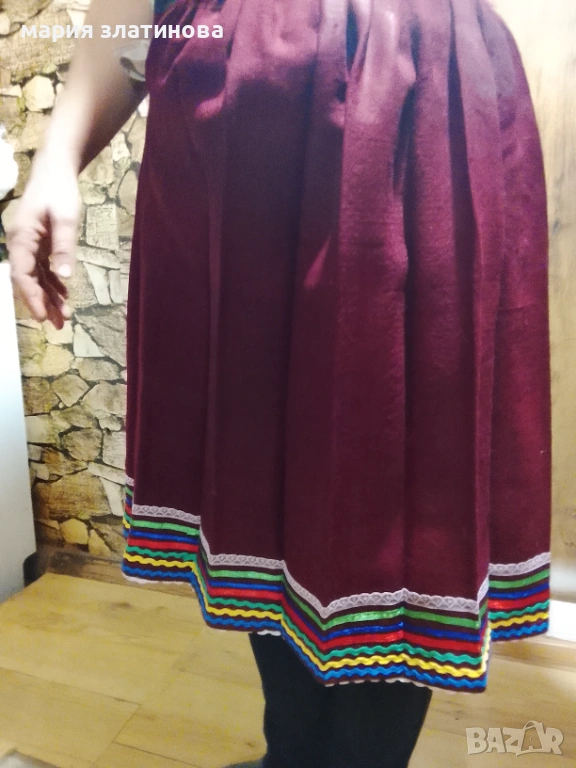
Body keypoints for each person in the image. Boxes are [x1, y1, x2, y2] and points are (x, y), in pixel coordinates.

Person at [7, 0, 552, 766]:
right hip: (233, 129)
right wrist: (57, 154)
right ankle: (291, 753)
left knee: (398, 488)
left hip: (416, 107)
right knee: (256, 483)